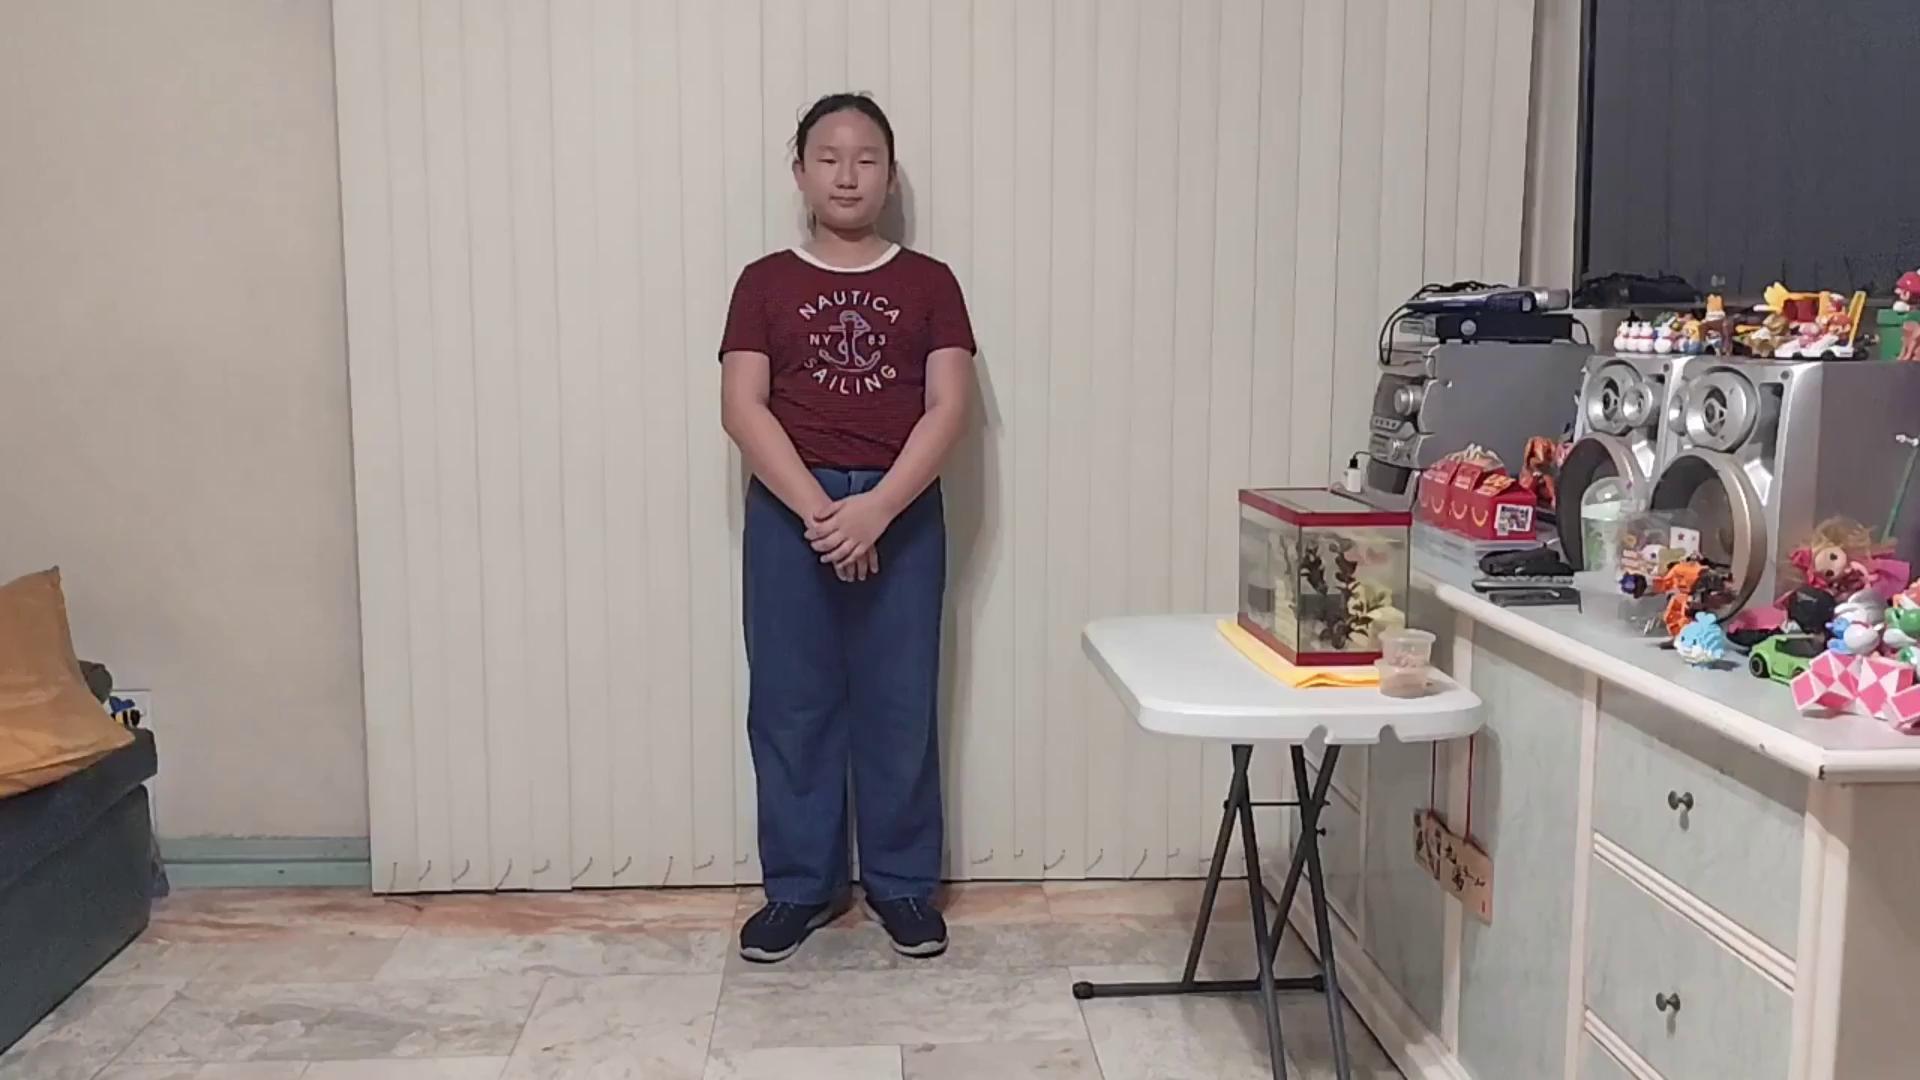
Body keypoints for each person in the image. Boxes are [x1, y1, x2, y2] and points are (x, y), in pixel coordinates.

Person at [718, 92, 976, 963]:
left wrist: (878, 509)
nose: (847, 175)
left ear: (890, 175)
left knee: (900, 702)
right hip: (791, 509)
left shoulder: (930, 283)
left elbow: (948, 408)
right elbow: (743, 407)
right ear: (799, 172)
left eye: (866, 159)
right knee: (791, 704)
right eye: (828, 157)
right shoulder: (763, 282)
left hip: (901, 509)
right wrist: (822, 514)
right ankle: (800, 888)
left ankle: (903, 885)